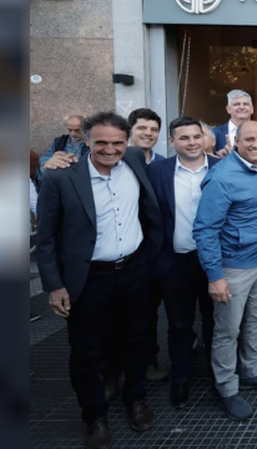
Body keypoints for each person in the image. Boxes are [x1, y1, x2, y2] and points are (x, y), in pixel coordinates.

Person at [36, 112, 162, 448]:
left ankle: (135, 399)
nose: (110, 149)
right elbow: (45, 239)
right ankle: (95, 417)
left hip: (135, 271)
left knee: (136, 340)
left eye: (117, 142)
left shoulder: (134, 160)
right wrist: (55, 285)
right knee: (87, 350)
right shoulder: (61, 178)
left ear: (127, 142)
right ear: (87, 141)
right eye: (101, 142)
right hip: (89, 277)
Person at [194, 121, 257, 422]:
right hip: (234, 268)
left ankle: (250, 371)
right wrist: (215, 276)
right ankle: (227, 388)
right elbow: (205, 229)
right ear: (236, 140)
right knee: (227, 331)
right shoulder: (222, 177)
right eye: (249, 139)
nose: (256, 144)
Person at [146, 117, 220, 409]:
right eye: (184, 138)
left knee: (216, 322)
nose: (192, 142)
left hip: (216, 261)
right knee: (179, 324)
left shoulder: (222, 167)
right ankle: (181, 378)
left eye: (196, 136)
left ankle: (219, 375)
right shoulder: (156, 171)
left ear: (205, 139)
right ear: (171, 142)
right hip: (175, 262)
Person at [126, 107, 168, 383]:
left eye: (153, 129)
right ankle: (115, 370)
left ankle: (148, 362)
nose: (148, 133)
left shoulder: (163, 164)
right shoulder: (115, 161)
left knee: (148, 312)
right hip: (125, 253)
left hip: (155, 252)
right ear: (130, 130)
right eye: (142, 128)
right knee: (121, 315)